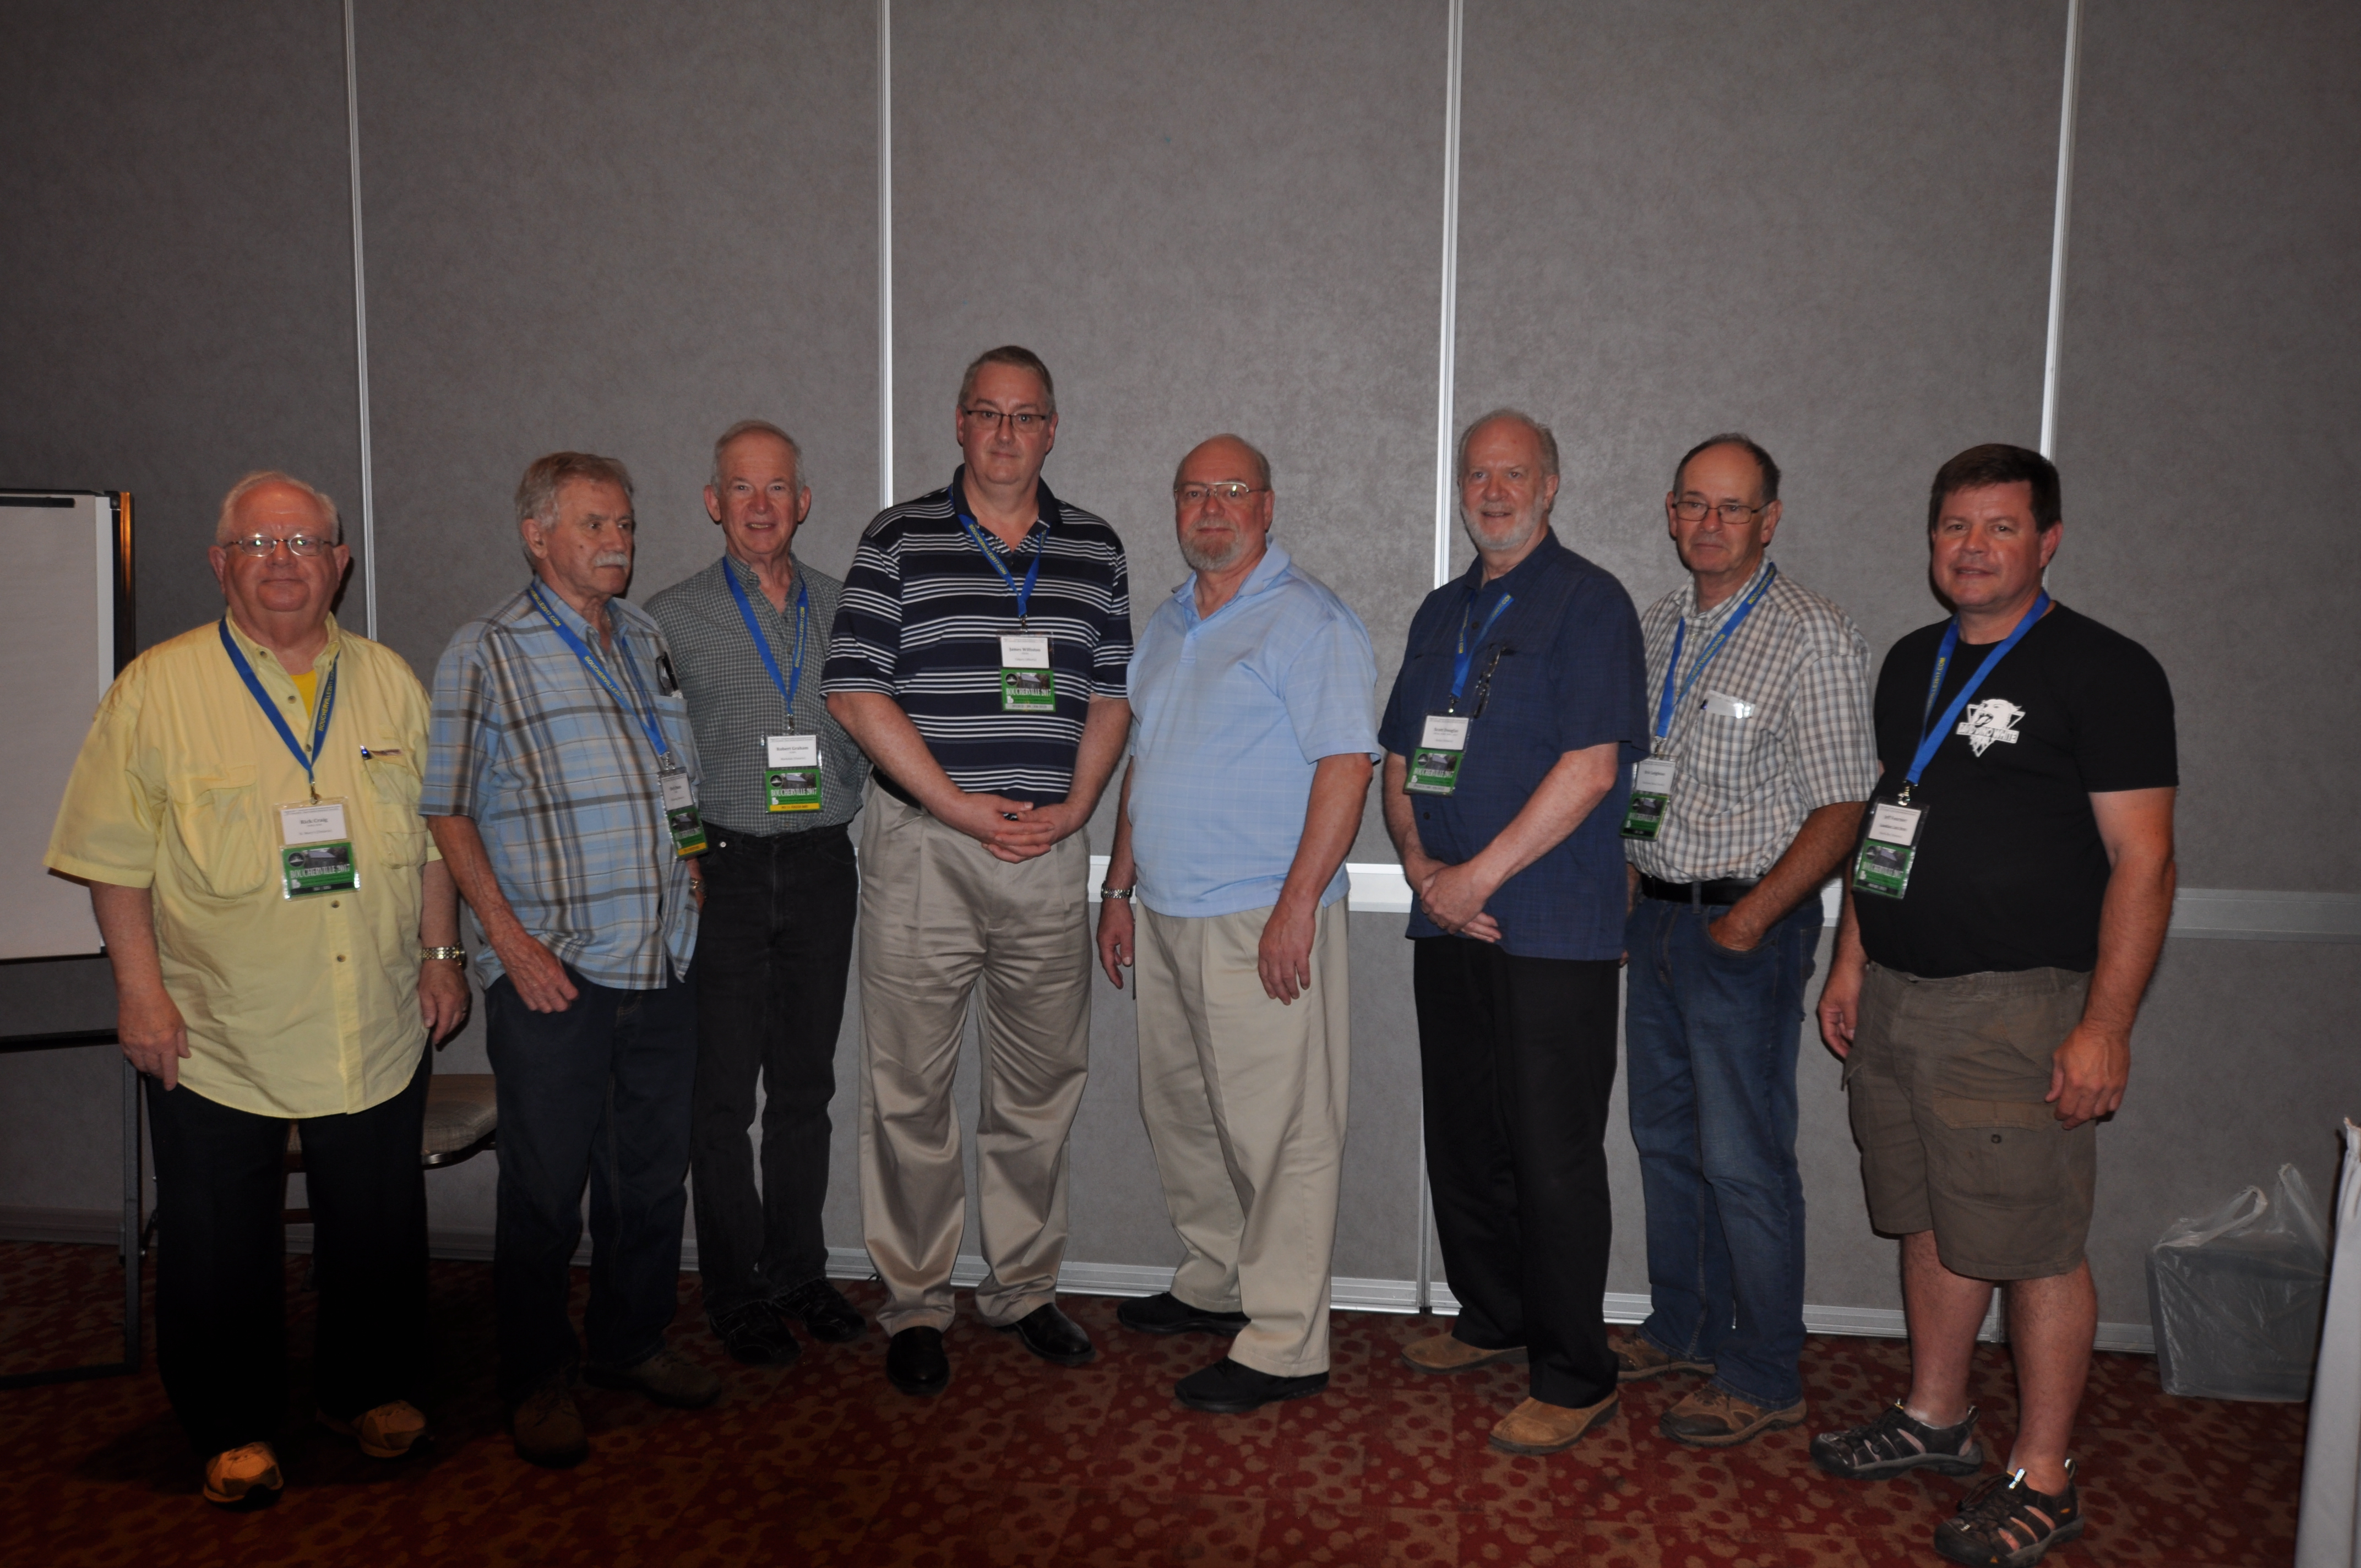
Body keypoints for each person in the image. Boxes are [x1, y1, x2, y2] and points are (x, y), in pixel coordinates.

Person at [46, 472, 468, 1508]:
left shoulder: (389, 682)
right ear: (220, 564)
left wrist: (441, 954)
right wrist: (139, 994)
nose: (285, 562)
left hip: (371, 1013)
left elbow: (432, 839)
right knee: (216, 1236)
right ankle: (230, 1425)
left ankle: (364, 1391)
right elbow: (112, 858)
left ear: (341, 563)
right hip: (218, 1024)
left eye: (306, 543)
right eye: (260, 544)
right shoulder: (158, 688)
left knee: (377, 1220)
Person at [1813, 444, 2176, 1567]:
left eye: (2000, 527)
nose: (1971, 548)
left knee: (2033, 1243)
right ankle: (1935, 1415)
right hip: (1898, 997)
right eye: (1954, 526)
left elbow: (2145, 860)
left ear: (2047, 540)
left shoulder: (2104, 670)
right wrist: (1850, 957)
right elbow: (1888, 819)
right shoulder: (1910, 662)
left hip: (2018, 1009)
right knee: (1932, 1214)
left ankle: (2044, 1475)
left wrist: (2104, 1025)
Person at [824, 346, 1132, 1397]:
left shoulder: (1094, 547)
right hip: (925, 849)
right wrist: (956, 806)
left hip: (1049, 852)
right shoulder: (897, 538)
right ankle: (916, 1301)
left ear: (1052, 429)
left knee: (1039, 1087)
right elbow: (854, 692)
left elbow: (1110, 697)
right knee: (909, 1089)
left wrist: (1078, 810)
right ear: (959, 424)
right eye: (988, 414)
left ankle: (1023, 1288)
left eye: (1026, 415)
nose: (1006, 434)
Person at [423, 451, 719, 1468]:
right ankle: (536, 1376)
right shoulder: (485, 651)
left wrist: (692, 859)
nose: (617, 542)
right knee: (546, 1193)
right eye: (594, 524)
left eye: (625, 525)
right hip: (555, 973)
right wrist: (506, 943)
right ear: (536, 534)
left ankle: (629, 1343)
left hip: (661, 958)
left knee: (650, 1179)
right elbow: (447, 810)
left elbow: (672, 772)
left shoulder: (644, 639)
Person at [1378, 410, 1648, 1455]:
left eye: (1513, 473)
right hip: (1446, 916)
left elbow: (1592, 769)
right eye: (1476, 475)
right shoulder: (1440, 612)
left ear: (1551, 484)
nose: (1493, 492)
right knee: (1466, 1137)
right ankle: (1492, 1315)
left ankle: (1576, 1373)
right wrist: (1422, 872)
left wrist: (1474, 878)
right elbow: (1401, 760)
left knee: (1552, 1154)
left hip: (1549, 929)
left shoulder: (1590, 603)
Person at [1095, 435, 1379, 1413]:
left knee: (1280, 1136)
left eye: (1231, 491)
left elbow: (1346, 767)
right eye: (1193, 492)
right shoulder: (1170, 621)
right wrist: (1118, 890)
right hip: (1167, 915)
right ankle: (1217, 1279)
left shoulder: (1310, 621)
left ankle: (1287, 1343)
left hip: (1262, 919)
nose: (1210, 508)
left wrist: (1297, 907)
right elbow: (1146, 763)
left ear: (1267, 505)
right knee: (1185, 1119)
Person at [1618, 435, 1876, 1445]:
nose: (1710, 524)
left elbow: (1844, 805)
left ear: (1770, 520)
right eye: (1694, 503)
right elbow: (1648, 771)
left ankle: (1765, 1372)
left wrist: (1750, 919)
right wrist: (1634, 883)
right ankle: (1683, 1328)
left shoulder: (1812, 632)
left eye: (1732, 507)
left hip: (1742, 934)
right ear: (1670, 512)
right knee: (1665, 1142)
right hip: (1658, 920)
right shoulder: (1657, 625)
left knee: (1744, 1159)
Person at [647, 422, 871, 1365]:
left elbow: (876, 727)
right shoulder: (669, 617)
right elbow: (660, 756)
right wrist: (687, 854)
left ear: (803, 502)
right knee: (722, 1099)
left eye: (777, 487)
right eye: (741, 488)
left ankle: (798, 1274)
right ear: (714, 503)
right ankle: (735, 1292)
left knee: (806, 1091)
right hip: (726, 873)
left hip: (821, 868)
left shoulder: (846, 606)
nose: (761, 505)